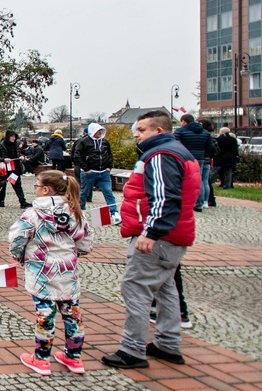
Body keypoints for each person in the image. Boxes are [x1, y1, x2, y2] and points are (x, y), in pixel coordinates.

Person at [102, 111, 201, 370]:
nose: (136, 134)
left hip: (159, 235)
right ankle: (168, 342)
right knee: (166, 287)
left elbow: (165, 197)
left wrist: (151, 232)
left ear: (158, 131)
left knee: (135, 287)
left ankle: (132, 350)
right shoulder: (178, 151)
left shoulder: (161, 155)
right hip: (176, 232)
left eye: (142, 130)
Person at [11, 171, 93, 376]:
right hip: (67, 272)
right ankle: (74, 357)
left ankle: (41, 359)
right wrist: (73, 254)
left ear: (46, 190)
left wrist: (19, 256)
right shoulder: (75, 212)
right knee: (73, 314)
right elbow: (85, 241)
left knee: (45, 313)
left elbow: (17, 238)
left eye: (36, 186)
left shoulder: (33, 214)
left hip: (41, 272)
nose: (35, 190)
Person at [74, 123, 120, 224]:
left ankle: (114, 213)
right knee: (84, 193)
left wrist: (109, 166)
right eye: (98, 130)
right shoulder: (83, 142)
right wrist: (86, 168)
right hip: (89, 172)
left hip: (104, 172)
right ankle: (81, 211)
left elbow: (109, 154)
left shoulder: (105, 142)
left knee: (108, 192)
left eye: (101, 131)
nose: (100, 132)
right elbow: (77, 156)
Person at [173, 114, 215, 212]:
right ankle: (200, 203)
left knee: (182, 180)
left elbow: (175, 144)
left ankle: (185, 202)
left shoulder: (180, 131)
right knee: (199, 180)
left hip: (184, 157)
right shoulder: (205, 133)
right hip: (200, 158)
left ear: (184, 121)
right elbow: (210, 147)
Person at [0, 130, 31, 209]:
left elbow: (18, 153)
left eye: (14, 137)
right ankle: (1, 200)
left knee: (17, 185)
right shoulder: (1, 145)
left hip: (14, 168)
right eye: (12, 136)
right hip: (5, 168)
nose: (13, 138)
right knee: (3, 184)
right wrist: (3, 159)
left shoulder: (16, 144)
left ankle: (22, 201)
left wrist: (21, 157)